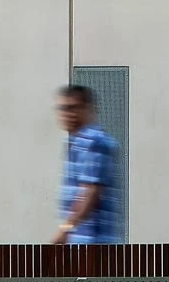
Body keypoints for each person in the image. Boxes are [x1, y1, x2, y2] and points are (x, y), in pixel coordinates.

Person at [50, 85, 121, 245]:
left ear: (87, 108)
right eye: (62, 109)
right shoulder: (77, 142)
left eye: (72, 108)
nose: (67, 114)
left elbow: (90, 192)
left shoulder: (93, 142)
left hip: (92, 241)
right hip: (80, 241)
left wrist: (65, 228)